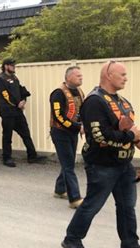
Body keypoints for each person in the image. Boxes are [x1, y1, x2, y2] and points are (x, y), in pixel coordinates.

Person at [62, 61, 140, 248]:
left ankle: (129, 243)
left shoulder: (121, 100)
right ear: (108, 75)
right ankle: (72, 239)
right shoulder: (95, 101)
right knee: (92, 204)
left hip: (124, 165)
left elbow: (129, 125)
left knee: (127, 206)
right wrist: (131, 137)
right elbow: (100, 137)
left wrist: (139, 138)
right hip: (102, 165)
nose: (126, 78)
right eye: (122, 74)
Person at [0, 58, 46, 167]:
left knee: (26, 134)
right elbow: (5, 96)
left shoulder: (15, 77)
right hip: (7, 113)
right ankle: (7, 158)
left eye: (14, 65)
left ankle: (32, 156)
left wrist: (23, 100)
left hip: (18, 112)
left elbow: (20, 90)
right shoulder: (0, 79)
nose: (14, 67)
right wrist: (17, 103)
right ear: (6, 66)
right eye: (12, 65)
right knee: (7, 136)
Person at [49, 66, 85, 209]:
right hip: (60, 133)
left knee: (68, 162)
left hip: (72, 133)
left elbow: (82, 110)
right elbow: (59, 117)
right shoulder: (58, 94)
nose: (81, 78)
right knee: (69, 165)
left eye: (81, 75)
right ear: (68, 77)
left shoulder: (80, 92)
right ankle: (74, 198)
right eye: (78, 76)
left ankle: (59, 189)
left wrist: (83, 125)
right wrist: (78, 127)